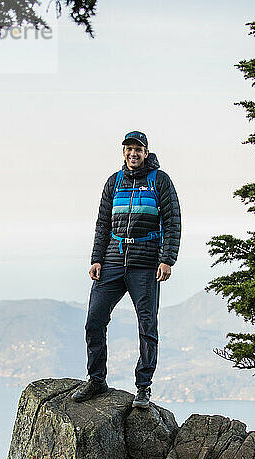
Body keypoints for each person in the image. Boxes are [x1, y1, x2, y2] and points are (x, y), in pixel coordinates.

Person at [72, 131, 181, 408]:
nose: (133, 153)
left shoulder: (160, 180)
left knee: (147, 325)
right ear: (123, 152)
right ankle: (96, 379)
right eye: (129, 149)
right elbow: (102, 224)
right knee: (94, 319)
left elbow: (172, 221)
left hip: (146, 263)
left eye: (138, 149)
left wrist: (167, 259)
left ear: (146, 152)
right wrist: (96, 259)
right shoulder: (114, 182)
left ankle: (143, 386)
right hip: (112, 259)